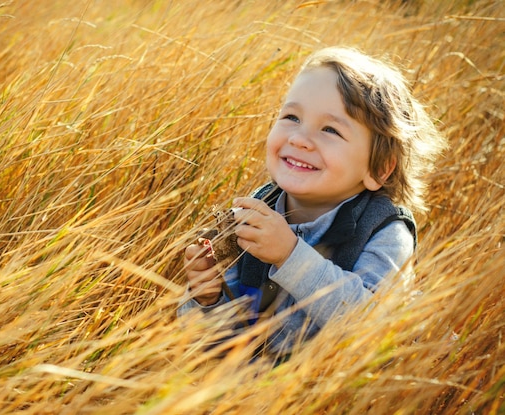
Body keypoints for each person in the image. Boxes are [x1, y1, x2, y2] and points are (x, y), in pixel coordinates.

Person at [177, 46, 447, 357]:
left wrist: (290, 256)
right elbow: (219, 348)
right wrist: (207, 300)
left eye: (330, 129)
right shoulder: (255, 214)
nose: (299, 138)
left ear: (378, 169)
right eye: (291, 117)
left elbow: (372, 330)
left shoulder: (384, 232)